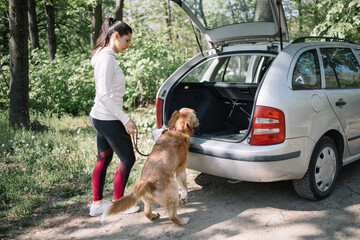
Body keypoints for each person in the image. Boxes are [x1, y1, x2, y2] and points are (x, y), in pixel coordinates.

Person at [89, 17, 140, 217]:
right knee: (128, 158)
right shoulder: (106, 58)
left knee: (105, 158)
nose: (128, 45)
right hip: (107, 118)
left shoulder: (105, 55)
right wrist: (124, 119)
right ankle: (118, 203)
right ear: (116, 36)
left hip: (102, 116)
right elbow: (103, 94)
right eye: (127, 40)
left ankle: (97, 205)